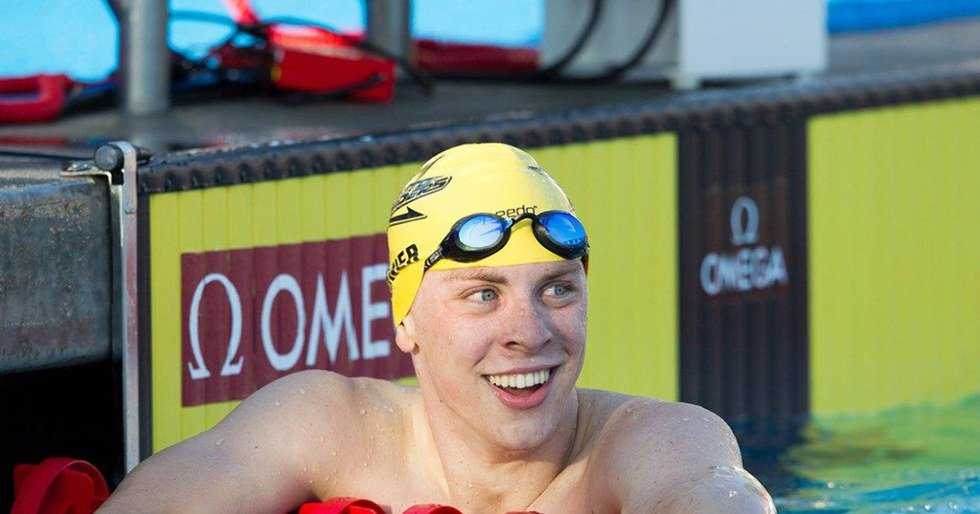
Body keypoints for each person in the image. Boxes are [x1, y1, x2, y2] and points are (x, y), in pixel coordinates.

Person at [98, 143, 774, 514]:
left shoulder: (649, 441)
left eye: (557, 289)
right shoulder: (327, 428)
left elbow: (716, 499)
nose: (529, 331)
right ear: (406, 319)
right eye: (483, 295)